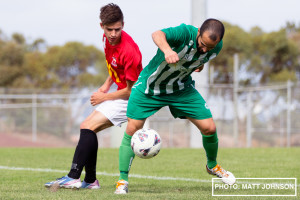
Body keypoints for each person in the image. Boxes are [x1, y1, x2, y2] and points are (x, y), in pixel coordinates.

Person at [114, 19, 236, 194]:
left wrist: (199, 62)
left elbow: (200, 56)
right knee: (132, 129)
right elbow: (157, 34)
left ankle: (212, 166)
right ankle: (122, 180)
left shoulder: (215, 46)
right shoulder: (184, 33)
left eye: (209, 48)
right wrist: (167, 50)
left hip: (181, 89)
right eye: (202, 44)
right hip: (150, 88)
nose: (205, 49)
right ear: (199, 31)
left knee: (209, 127)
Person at [45, 3, 143, 189]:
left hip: (134, 98)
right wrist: (106, 85)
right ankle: (90, 181)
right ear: (102, 26)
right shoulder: (107, 39)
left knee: (88, 127)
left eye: (118, 29)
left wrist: (104, 98)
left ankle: (74, 176)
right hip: (122, 94)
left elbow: (132, 90)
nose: (113, 34)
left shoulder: (129, 51)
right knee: (88, 128)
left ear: (123, 24)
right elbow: (115, 66)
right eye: (109, 29)